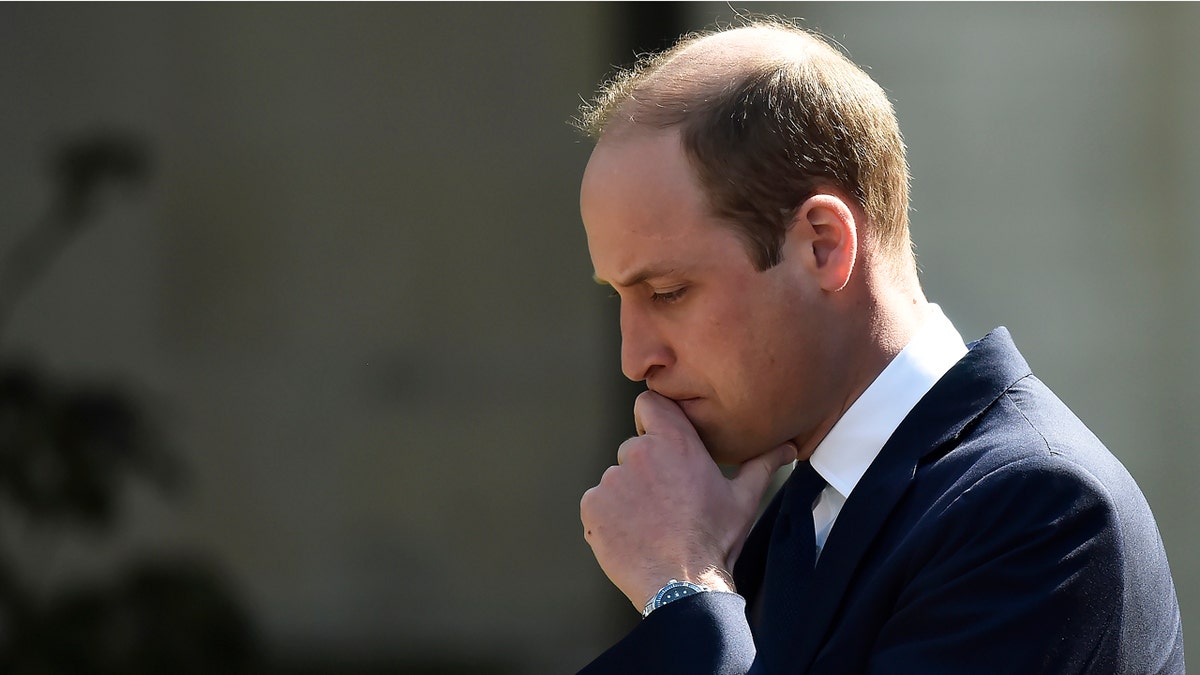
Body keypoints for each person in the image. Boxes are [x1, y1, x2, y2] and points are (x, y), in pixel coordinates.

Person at [574, 19, 1185, 674]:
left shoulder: (1040, 510)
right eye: (618, 297)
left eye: (666, 291)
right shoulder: (795, 517)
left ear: (823, 244)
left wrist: (681, 584)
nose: (634, 359)